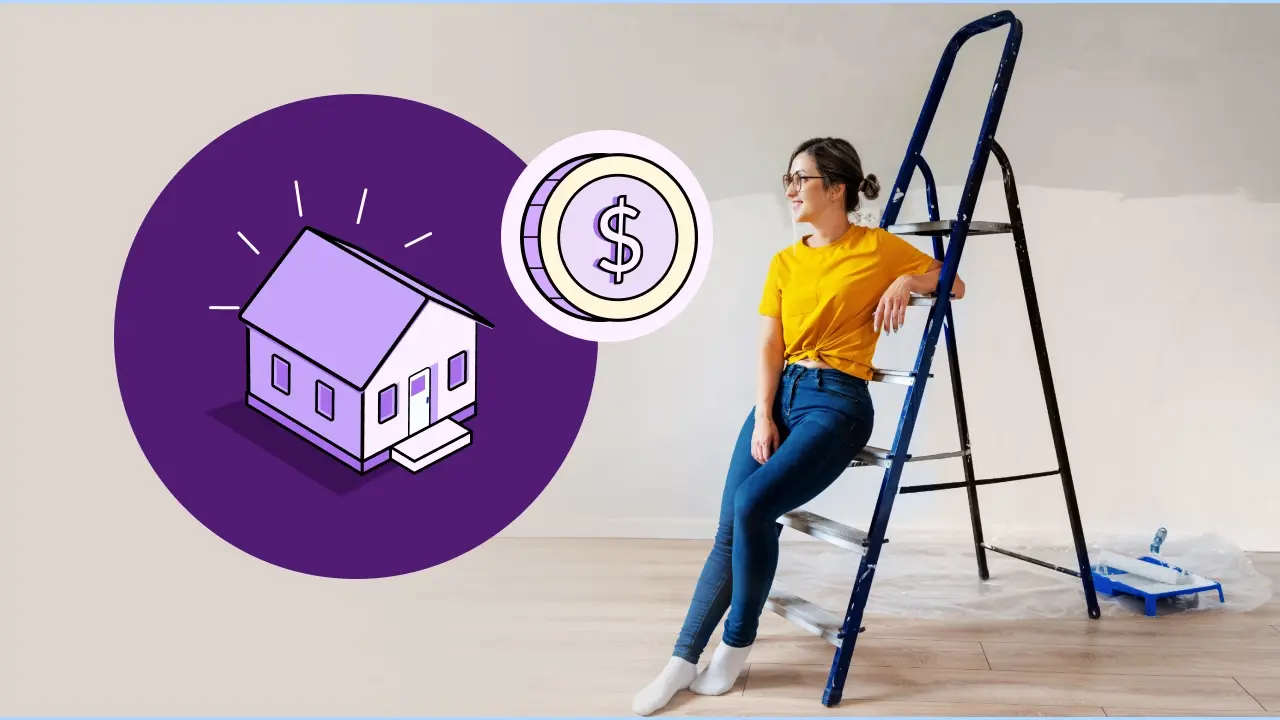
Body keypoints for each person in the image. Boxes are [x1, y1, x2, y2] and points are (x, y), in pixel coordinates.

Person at [631, 137, 965, 716]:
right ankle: (681, 660)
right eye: (786, 178)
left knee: (755, 505)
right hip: (781, 395)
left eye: (800, 179)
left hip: (837, 402)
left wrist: (907, 282)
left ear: (836, 188)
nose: (790, 189)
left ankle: (734, 649)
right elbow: (769, 341)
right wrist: (764, 414)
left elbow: (953, 282)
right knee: (730, 527)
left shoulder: (878, 248)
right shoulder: (785, 261)